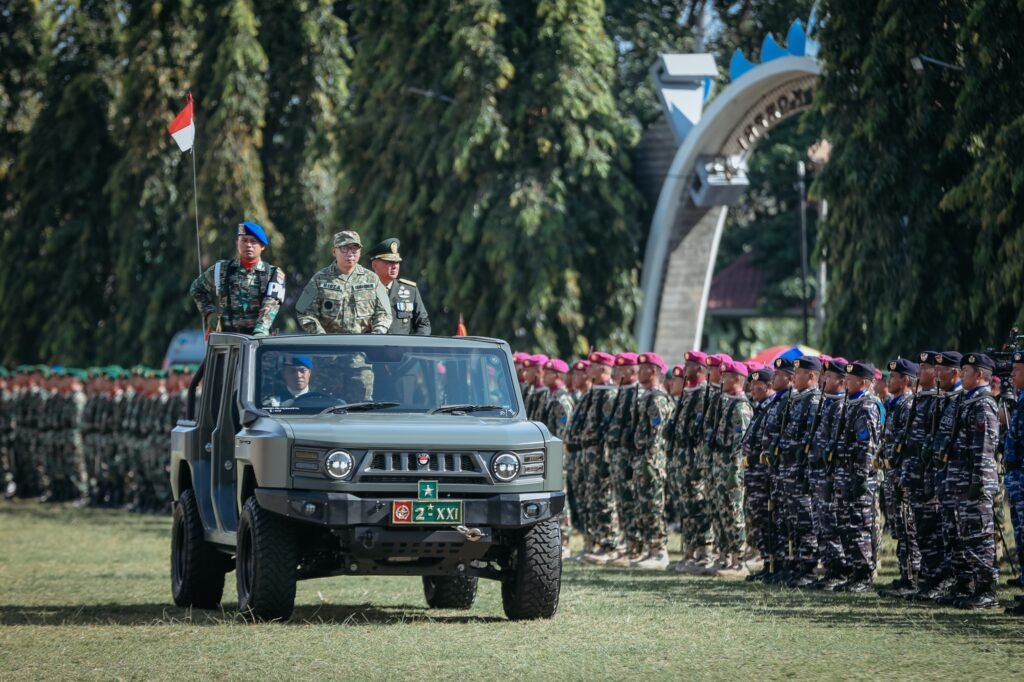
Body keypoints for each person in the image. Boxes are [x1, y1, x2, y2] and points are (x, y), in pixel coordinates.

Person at [944, 353, 1000, 609]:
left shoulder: (983, 404)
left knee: (980, 535)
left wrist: (979, 481)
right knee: (966, 535)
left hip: (975, 482)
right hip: (962, 480)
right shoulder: (967, 402)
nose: (961, 374)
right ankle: (969, 586)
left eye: (965, 371)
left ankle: (987, 589)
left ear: (979, 374)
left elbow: (985, 448)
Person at [833, 360, 882, 593]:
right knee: (846, 525)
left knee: (860, 525)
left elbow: (867, 447)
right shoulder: (850, 403)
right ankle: (854, 572)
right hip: (845, 475)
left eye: (850, 379)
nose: (846, 381)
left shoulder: (866, 406)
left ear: (863, 382)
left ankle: (864, 574)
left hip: (858, 477)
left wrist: (861, 479)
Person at [190, 221, 285, 337]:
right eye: (244, 240)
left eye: (253, 241)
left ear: (262, 246)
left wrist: (260, 332)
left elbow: (270, 306)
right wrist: (209, 313)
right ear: (237, 243)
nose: (248, 245)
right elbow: (196, 289)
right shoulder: (221, 270)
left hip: (259, 341)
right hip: (226, 341)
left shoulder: (273, 274)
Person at [877, 358, 921, 598]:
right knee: (899, 528)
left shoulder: (907, 406)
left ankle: (913, 577)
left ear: (905, 381)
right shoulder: (895, 405)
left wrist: (905, 477)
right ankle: (905, 574)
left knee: (908, 526)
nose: (888, 380)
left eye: (893, 377)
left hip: (902, 474)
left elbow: (909, 446)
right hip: (892, 474)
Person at [296, 230, 392, 335]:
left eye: (354, 249)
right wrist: (321, 336)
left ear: (360, 252)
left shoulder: (372, 279)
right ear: (334, 251)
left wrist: (377, 334)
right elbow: (305, 312)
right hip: (330, 346)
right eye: (344, 248)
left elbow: (384, 313)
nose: (350, 253)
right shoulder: (319, 279)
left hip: (364, 345)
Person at [708, 360, 753, 577]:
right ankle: (724, 555)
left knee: (734, 512)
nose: (721, 378)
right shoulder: (724, 402)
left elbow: (741, 444)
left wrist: (735, 472)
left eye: (726, 376)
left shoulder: (741, 407)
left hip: (730, 467)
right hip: (718, 463)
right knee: (719, 512)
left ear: (737, 379)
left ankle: (738, 559)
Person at [630, 352, 674, 569]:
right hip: (642, 459)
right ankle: (649, 548)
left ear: (654, 372)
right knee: (643, 506)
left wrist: (650, 461)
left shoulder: (657, 399)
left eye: (644, 368)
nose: (639, 372)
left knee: (654, 505)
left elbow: (658, 435)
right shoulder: (645, 396)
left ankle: (659, 551)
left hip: (652, 461)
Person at [366, 238, 431, 336]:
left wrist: (414, 348)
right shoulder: (363, 290)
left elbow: (423, 324)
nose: (395, 266)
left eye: (397, 262)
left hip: (401, 349)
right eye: (389, 262)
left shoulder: (410, 291)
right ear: (374, 265)